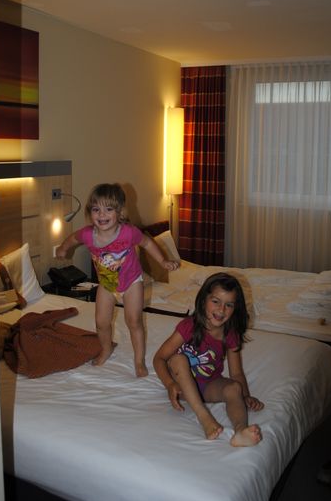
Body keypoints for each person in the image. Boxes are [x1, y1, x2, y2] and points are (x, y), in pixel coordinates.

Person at [56, 182, 179, 375]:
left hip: (131, 283)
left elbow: (147, 242)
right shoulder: (88, 235)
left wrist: (163, 261)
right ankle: (106, 349)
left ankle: (139, 361)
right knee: (101, 322)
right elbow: (73, 238)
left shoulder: (128, 232)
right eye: (96, 209)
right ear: (90, 212)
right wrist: (63, 248)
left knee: (134, 321)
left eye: (108, 209)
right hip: (106, 284)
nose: (101, 215)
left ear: (119, 212)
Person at [153, 272, 264, 447]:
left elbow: (236, 373)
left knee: (234, 388)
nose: (221, 310)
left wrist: (245, 396)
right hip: (181, 386)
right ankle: (204, 417)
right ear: (204, 299)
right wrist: (169, 384)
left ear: (235, 308)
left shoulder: (231, 334)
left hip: (208, 385)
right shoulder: (189, 326)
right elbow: (159, 358)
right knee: (178, 360)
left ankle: (241, 431)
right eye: (216, 301)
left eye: (229, 305)